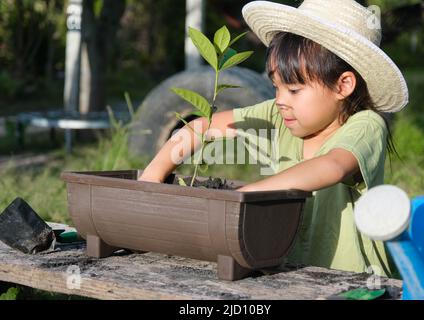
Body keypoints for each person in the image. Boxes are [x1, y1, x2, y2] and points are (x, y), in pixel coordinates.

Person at [138, 0, 409, 278]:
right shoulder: (277, 117)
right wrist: (152, 177)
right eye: (276, 87)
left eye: (293, 89)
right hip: (286, 275)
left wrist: (244, 195)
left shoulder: (366, 125)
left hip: (352, 282)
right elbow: (202, 126)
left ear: (343, 85)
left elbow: (331, 167)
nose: (280, 101)